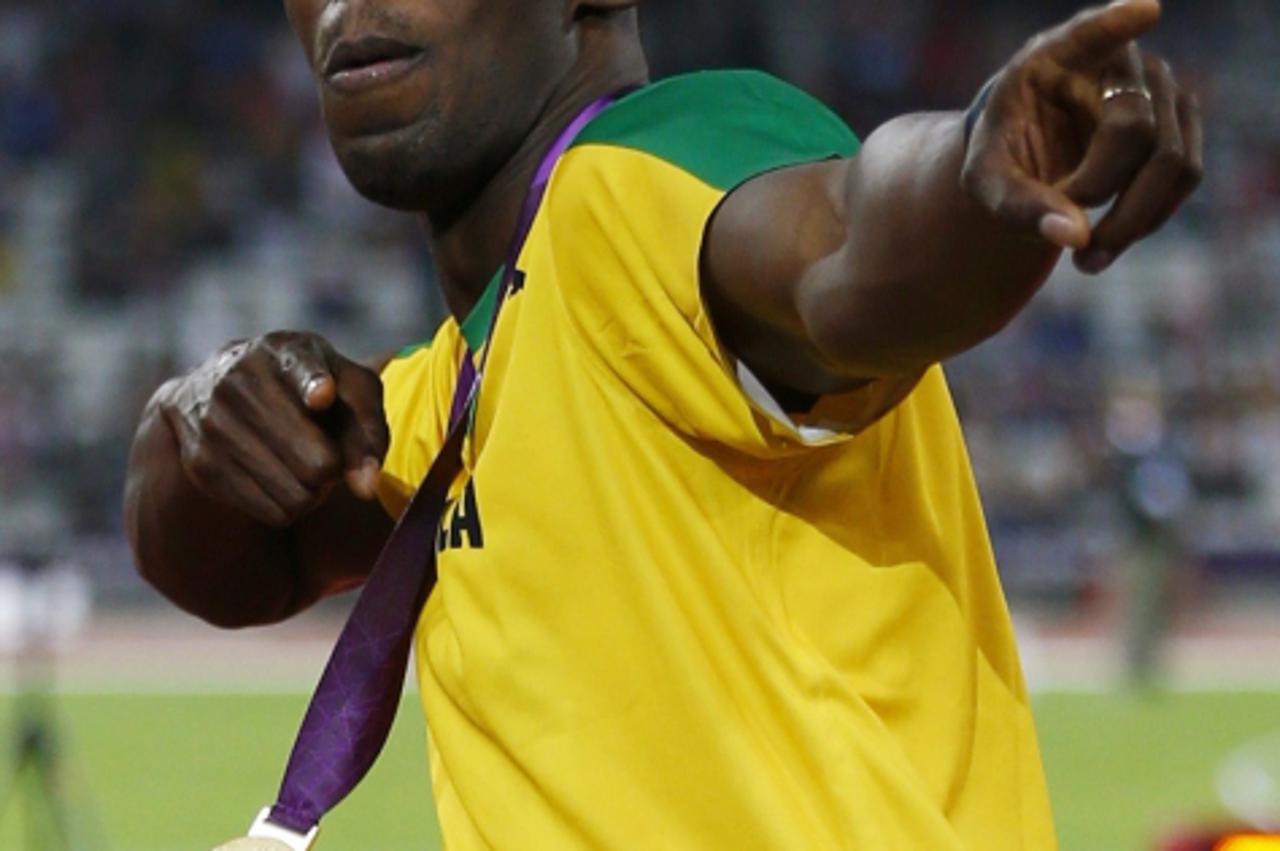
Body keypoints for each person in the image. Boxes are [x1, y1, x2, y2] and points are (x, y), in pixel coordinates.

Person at [124, 0, 1202, 847]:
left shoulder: (648, 175)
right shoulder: (460, 380)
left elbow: (849, 248)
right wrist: (198, 409)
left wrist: (976, 168)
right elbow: (225, 561)